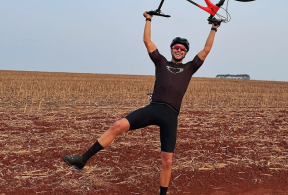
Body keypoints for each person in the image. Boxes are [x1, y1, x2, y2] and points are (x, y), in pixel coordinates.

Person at [62, 11, 220, 195]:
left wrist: (214, 28)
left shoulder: (190, 67)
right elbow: (147, 41)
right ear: (171, 49)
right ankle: (82, 159)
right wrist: (148, 19)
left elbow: (206, 50)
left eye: (182, 49)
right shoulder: (160, 62)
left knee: (167, 161)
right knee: (118, 125)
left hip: (170, 116)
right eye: (176, 47)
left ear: (186, 53)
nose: (179, 50)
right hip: (154, 108)